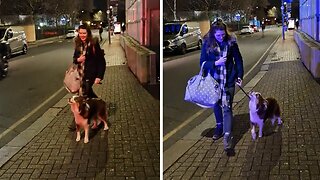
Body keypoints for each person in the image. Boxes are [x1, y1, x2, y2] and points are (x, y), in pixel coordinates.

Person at [200, 18, 244, 155]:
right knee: (216, 105)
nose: (221, 37)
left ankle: (227, 138)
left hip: (229, 81)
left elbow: (238, 60)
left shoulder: (231, 43)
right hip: (214, 82)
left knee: (227, 108)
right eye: (218, 35)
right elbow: (202, 63)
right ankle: (219, 126)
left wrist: (239, 76)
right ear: (213, 34)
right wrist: (216, 63)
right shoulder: (207, 43)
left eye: (223, 35)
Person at [68, 24, 106, 131]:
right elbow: (74, 59)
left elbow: (101, 61)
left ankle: (77, 121)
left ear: (88, 33)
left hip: (90, 75)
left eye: (84, 33)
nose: (82, 35)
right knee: (88, 95)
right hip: (80, 75)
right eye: (80, 33)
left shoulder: (93, 44)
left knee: (82, 96)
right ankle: (100, 107)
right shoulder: (78, 44)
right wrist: (78, 60)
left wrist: (99, 76)